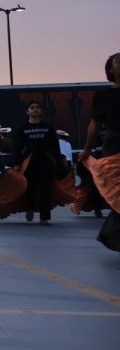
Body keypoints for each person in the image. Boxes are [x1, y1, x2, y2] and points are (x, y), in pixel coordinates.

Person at [0, 102, 74, 223]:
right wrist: (16, 163)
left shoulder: (48, 128)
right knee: (30, 188)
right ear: (28, 112)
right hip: (29, 163)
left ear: (41, 111)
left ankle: (45, 217)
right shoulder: (22, 129)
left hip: (46, 162)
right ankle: (30, 209)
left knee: (46, 189)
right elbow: (16, 147)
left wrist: (58, 162)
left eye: (38, 107)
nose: (35, 109)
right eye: (32, 108)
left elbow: (54, 147)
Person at [73, 52, 120, 249]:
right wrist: (86, 149)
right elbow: (94, 125)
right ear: (110, 69)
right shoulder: (102, 96)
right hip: (115, 144)